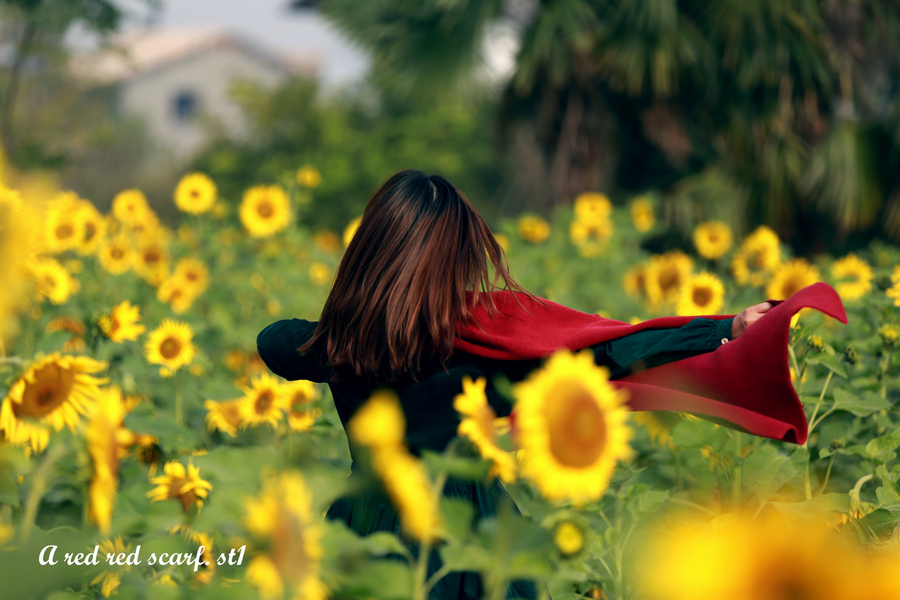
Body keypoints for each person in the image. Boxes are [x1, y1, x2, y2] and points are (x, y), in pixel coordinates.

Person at [256, 169, 834, 599]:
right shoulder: (479, 340)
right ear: (452, 259)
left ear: (370, 254)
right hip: (469, 532)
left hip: (366, 523)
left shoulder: (335, 347)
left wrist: (342, 325)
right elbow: (609, 353)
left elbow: (272, 342)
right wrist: (722, 329)